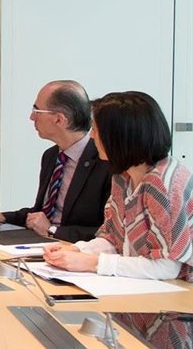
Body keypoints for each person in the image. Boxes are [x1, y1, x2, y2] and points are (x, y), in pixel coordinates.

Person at [44, 91, 193, 281]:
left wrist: (92, 262)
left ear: (120, 136)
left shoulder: (164, 184)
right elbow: (113, 239)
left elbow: (167, 267)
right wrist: (78, 249)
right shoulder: (123, 177)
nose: (91, 136)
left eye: (96, 130)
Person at [0, 80, 110, 241]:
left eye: (37, 110)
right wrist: (3, 217)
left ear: (59, 119)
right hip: (41, 243)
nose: (31, 117)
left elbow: (109, 233)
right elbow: (40, 212)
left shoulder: (106, 162)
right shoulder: (51, 156)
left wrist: (52, 230)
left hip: (75, 248)